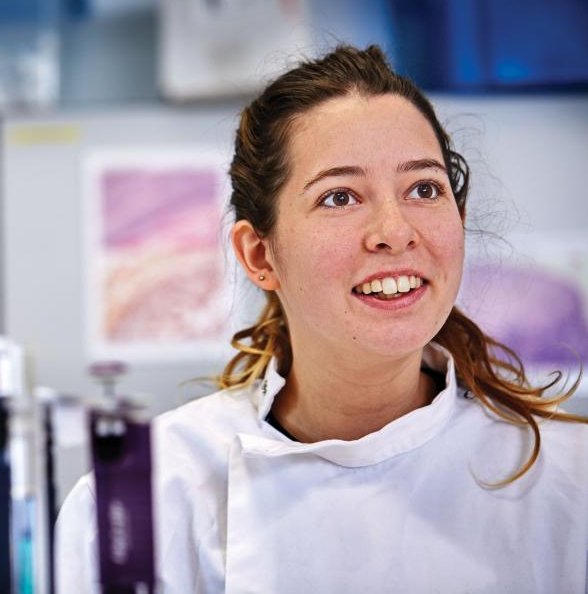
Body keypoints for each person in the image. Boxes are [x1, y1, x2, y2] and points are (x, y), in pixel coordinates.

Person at [55, 45, 588, 593]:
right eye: (340, 197)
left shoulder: (569, 482)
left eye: (424, 189)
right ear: (260, 256)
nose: (395, 230)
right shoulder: (144, 501)